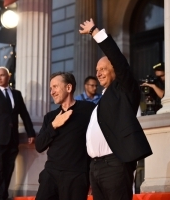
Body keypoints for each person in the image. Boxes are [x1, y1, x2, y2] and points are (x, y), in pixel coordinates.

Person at [79, 18, 153, 200]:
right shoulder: (103, 98)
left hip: (115, 164)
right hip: (95, 167)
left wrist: (95, 32)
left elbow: (119, 61)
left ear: (114, 70)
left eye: (103, 68)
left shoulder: (125, 90)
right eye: (97, 70)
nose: (98, 73)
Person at [35, 72, 96, 200]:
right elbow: (39, 146)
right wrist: (54, 126)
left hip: (76, 176)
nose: (52, 92)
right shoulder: (50, 117)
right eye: (51, 88)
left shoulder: (89, 109)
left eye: (55, 87)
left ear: (68, 88)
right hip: (50, 175)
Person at [0, 66, 35, 200]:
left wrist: (31, 132)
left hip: (12, 138)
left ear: (8, 77)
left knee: (8, 168)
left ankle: (4, 195)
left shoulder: (16, 94)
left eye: (2, 75)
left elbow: (24, 113)